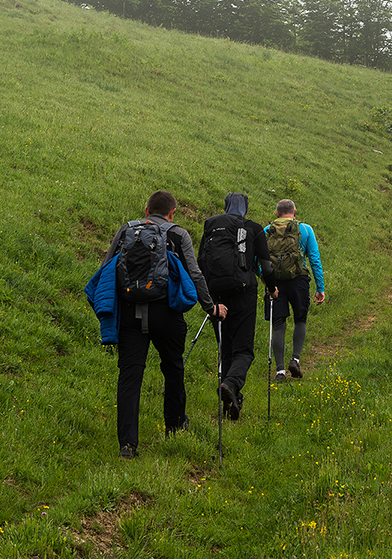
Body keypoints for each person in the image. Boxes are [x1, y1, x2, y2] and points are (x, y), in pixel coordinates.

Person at [99, 191, 224, 459]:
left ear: (146, 210)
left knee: (130, 376)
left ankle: (127, 445)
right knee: (173, 367)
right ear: (172, 212)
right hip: (165, 312)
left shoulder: (126, 230)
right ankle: (175, 426)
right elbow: (195, 272)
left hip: (131, 312)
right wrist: (210, 307)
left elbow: (106, 267)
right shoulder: (178, 234)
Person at [199, 193, 273, 420]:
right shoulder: (254, 228)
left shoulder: (211, 226)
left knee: (226, 348)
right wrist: (271, 287)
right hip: (243, 292)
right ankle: (230, 384)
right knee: (243, 350)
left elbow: (201, 261)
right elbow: (266, 265)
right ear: (245, 208)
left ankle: (232, 401)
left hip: (215, 293)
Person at [266, 198, 326, 381]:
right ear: (295, 212)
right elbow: (314, 259)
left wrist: (267, 282)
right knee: (300, 320)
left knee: (278, 325)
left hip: (274, 283)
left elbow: (258, 261)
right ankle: (295, 359)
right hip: (299, 280)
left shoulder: (267, 231)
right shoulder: (306, 230)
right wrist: (320, 287)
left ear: (276, 214)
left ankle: (279, 371)